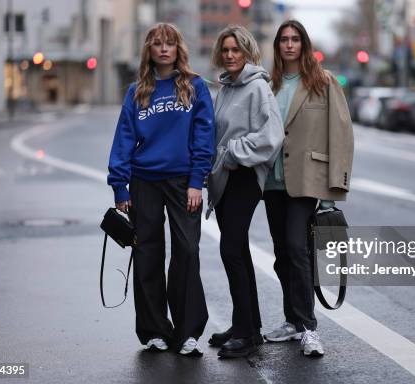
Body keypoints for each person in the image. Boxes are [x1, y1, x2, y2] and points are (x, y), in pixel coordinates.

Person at [107, 23, 215, 357]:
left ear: (178, 48)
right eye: (157, 43)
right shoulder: (137, 90)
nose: (164, 48)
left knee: (187, 251)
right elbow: (124, 138)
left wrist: (197, 181)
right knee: (147, 254)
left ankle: (187, 333)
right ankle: (154, 330)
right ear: (149, 50)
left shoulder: (194, 86)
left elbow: (204, 136)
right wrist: (119, 186)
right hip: (144, 181)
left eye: (169, 43)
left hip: (184, 182)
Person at [262, 20, 354, 357]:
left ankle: (308, 327)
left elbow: (341, 137)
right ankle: (292, 321)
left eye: (295, 39)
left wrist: (332, 194)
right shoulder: (267, 84)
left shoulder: (323, 83)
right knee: (282, 253)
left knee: (297, 249)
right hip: (271, 181)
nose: (289, 45)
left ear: (304, 44)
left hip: (306, 181)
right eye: (283, 39)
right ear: (277, 46)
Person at [206, 25, 284, 358]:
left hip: (245, 176)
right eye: (225, 50)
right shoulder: (225, 88)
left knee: (230, 248)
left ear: (247, 52)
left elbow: (271, 136)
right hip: (224, 176)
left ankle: (245, 331)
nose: (229, 55)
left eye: (235, 50)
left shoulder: (258, 88)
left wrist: (235, 152)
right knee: (238, 250)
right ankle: (248, 325)